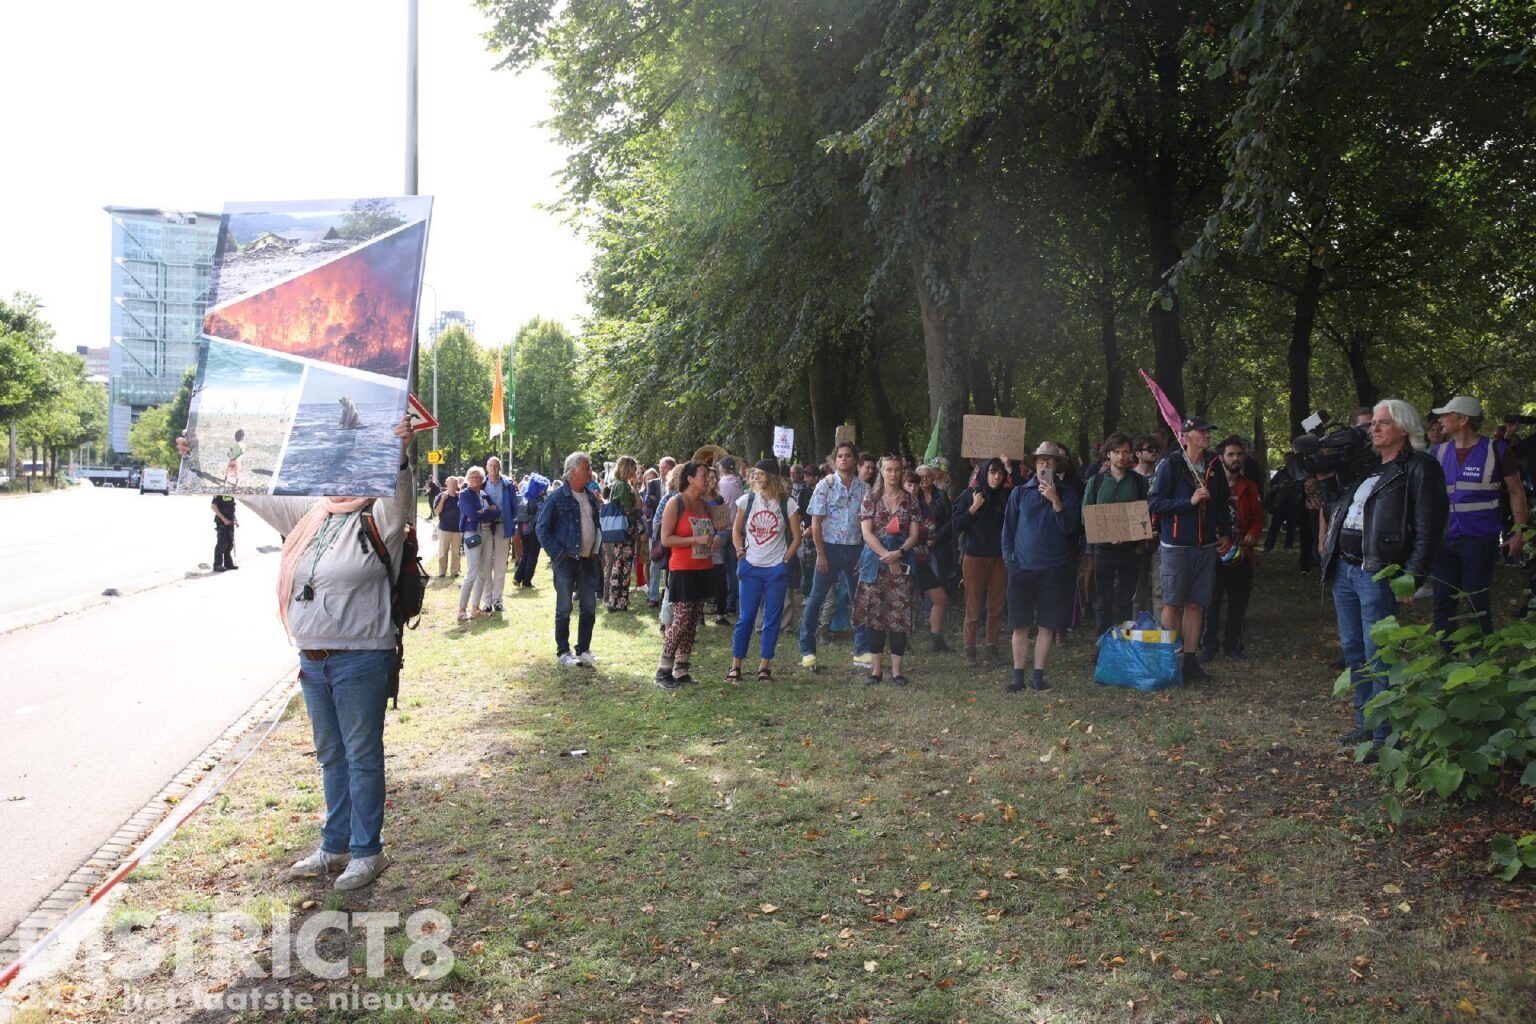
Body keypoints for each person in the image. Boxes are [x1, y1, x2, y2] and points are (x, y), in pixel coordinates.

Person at [178, 416, 416, 890]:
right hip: (314, 658)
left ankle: (369, 852)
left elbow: (402, 489)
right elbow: (250, 487)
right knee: (331, 755)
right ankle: (334, 846)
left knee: (362, 755)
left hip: (362, 656)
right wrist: (197, 456)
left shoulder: (380, 513)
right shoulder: (312, 511)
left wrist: (403, 454)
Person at [1321, 400, 1448, 756]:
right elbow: (1338, 510)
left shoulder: (1420, 468)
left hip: (1378, 572)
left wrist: (1414, 575)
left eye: (1382, 423)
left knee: (1380, 652)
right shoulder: (1369, 469)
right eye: (1372, 423)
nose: (1373, 429)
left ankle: (1385, 734)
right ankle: (1365, 723)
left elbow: (1429, 527)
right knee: (1353, 649)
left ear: (1404, 428)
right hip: (1345, 569)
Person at [1430, 396, 1527, 635]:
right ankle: (1445, 658)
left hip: (1479, 540)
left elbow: (1516, 491)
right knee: (1443, 603)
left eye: (1446, 414)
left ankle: (1481, 660)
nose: (1440, 419)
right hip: (1443, 540)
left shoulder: (1496, 450)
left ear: (1463, 420)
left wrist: (1518, 531)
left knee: (1476, 602)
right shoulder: (1437, 452)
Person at [1148, 416, 1232, 682]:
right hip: (1176, 546)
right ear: (1186, 436)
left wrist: (1225, 532)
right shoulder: (1171, 465)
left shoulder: (1214, 465)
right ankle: (1165, 662)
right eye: (1202, 431)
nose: (1207, 435)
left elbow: (1221, 504)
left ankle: (1191, 661)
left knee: (1196, 604)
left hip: (1205, 546)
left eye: (1208, 431)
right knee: (1172, 603)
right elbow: (1155, 503)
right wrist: (1189, 501)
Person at [1001, 442, 1082, 692]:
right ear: (1033, 465)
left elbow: (1072, 530)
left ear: (1057, 465)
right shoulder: (1019, 493)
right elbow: (1008, 532)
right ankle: (1018, 679)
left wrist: (1056, 500)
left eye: (1049, 460)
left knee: (1047, 626)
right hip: (1022, 569)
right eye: (1040, 460)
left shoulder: (1068, 494)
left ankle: (1038, 677)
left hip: (1054, 569)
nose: (1044, 464)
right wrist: (1011, 563)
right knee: (1020, 626)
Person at [727, 459, 802, 682]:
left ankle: (764, 666)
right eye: (754, 474)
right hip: (750, 567)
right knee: (746, 617)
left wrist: (784, 561)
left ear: (772, 476)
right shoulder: (746, 500)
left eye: (760, 474)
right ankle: (735, 666)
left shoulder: (787, 503)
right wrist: (740, 551)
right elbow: (736, 530)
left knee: (772, 618)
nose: (756, 477)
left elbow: (796, 537)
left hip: (775, 570)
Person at [799, 442, 869, 670]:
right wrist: (821, 554)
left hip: (855, 549)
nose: (844, 459)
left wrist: (864, 553)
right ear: (834, 460)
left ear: (855, 460)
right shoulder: (825, 485)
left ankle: (861, 650)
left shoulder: (864, 488)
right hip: (829, 548)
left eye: (848, 455)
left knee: (860, 600)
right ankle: (807, 650)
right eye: (840, 456)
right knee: (816, 598)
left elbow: (869, 524)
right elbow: (815, 522)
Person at [656, 461, 722, 688]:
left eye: (710, 477)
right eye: (704, 476)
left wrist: (713, 540)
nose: (709, 480)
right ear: (691, 479)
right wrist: (696, 540)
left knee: (692, 621)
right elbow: (666, 539)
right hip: (682, 570)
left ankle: (681, 670)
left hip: (703, 568)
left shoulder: (705, 506)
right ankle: (663, 670)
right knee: (681, 620)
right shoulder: (676, 503)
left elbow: (709, 533)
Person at [856, 455, 921, 684]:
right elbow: (866, 533)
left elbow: (914, 534)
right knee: (875, 617)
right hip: (875, 562)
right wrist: (886, 555)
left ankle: (897, 672)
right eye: (888, 470)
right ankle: (875, 671)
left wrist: (898, 554)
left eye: (896, 470)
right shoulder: (871, 498)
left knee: (898, 618)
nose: (893, 474)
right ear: (881, 472)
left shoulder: (911, 500)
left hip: (901, 561)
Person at [1201, 436, 1265, 662]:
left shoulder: (1249, 486)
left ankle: (1233, 645)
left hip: (1242, 553)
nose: (1235, 458)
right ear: (1221, 458)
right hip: (1214, 553)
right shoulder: (1209, 485)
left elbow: (1258, 517)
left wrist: (1253, 534)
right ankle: (1208, 646)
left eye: (1239, 454)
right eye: (1230, 454)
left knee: (1238, 602)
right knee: (1211, 601)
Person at [537, 452, 603, 667]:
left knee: (589, 606)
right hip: (566, 560)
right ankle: (563, 652)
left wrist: (596, 549)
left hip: (587, 560)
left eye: (590, 467)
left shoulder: (591, 497)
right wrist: (558, 554)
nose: (590, 471)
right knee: (564, 606)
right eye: (586, 468)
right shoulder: (557, 498)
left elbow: (595, 525)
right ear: (572, 472)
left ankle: (583, 649)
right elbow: (542, 529)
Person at [1081, 432, 1147, 639]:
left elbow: (1145, 513)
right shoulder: (1096, 481)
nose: (1121, 457)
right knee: (1104, 599)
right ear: (1108, 454)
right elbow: (1086, 515)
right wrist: (1106, 534)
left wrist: (1133, 537)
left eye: (1125, 452)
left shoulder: (1139, 482)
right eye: (1116, 452)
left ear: (1130, 455)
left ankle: (1124, 644)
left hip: (1130, 550)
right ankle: (1102, 643)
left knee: (1126, 599)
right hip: (1104, 549)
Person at [951, 458, 1009, 668]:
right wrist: (973, 508)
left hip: (999, 558)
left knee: (996, 607)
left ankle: (991, 649)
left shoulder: (1004, 496)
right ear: (984, 473)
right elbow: (956, 524)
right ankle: (970, 651)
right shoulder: (970, 495)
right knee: (973, 606)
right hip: (974, 557)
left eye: (1000, 473)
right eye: (993, 472)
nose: (997, 476)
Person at [912, 464, 953, 651]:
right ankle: (902, 641)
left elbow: (949, 522)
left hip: (929, 552)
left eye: (928, 476)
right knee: (906, 598)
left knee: (940, 597)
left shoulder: (940, 496)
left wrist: (934, 539)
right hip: (910, 555)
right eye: (920, 477)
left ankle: (937, 641)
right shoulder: (908, 501)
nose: (924, 480)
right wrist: (921, 537)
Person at [456, 467, 501, 622]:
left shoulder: (484, 494)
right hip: (473, 534)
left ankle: (475, 607)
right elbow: (472, 515)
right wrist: (484, 513)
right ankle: (462, 609)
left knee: (484, 572)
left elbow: (498, 512)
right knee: (472, 573)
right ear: (468, 478)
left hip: (488, 534)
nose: (476, 479)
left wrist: (483, 513)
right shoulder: (464, 495)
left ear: (483, 480)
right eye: (473, 477)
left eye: (479, 477)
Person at [480, 457, 519, 613]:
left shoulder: (508, 485)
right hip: (486, 528)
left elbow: (514, 507)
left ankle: (498, 601)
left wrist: (511, 522)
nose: (493, 468)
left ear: (500, 468)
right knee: (486, 565)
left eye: (496, 466)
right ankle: (487, 601)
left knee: (501, 565)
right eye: (491, 466)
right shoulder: (482, 484)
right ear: (487, 468)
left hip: (503, 527)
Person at [606, 456, 641, 611]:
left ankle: (614, 600)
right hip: (626, 530)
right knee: (623, 567)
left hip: (618, 530)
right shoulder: (624, 487)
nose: (635, 471)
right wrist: (635, 493)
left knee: (618, 565)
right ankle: (620, 602)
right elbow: (630, 508)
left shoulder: (617, 485)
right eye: (633, 468)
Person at [513, 472, 549, 588]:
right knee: (533, 555)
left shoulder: (525, 497)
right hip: (533, 530)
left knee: (526, 553)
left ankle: (518, 577)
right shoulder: (539, 500)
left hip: (522, 529)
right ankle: (527, 580)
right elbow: (540, 517)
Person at [431, 476, 462, 578]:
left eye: (455, 483)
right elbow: (436, 512)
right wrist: (443, 500)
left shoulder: (460, 496)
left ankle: (455, 571)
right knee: (443, 552)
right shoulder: (441, 496)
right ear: (446, 484)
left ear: (457, 485)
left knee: (456, 552)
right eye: (451, 483)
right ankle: (442, 571)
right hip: (444, 528)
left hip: (457, 529)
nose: (453, 485)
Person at [212, 493, 238, 572]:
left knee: (230, 543)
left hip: (230, 522)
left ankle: (228, 564)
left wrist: (235, 519)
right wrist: (224, 519)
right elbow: (213, 506)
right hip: (222, 522)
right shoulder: (219, 493)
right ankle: (217, 564)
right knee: (221, 543)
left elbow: (231, 508)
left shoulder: (231, 493)